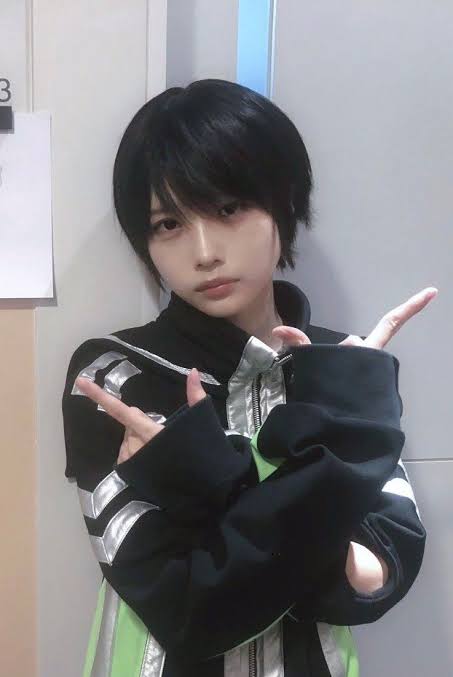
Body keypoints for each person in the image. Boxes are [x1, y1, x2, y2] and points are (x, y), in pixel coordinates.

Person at [61, 78, 436, 677]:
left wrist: (212, 486)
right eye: (168, 224)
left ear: (282, 201)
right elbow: (189, 609)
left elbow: (384, 571)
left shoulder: (343, 365)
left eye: (229, 209)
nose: (204, 252)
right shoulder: (116, 375)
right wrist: (320, 530)